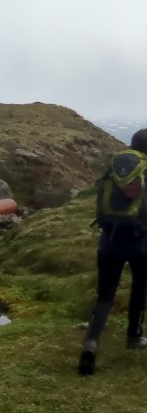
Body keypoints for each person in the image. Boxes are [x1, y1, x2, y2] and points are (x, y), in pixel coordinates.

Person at [79, 128, 147, 375]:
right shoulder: (144, 169)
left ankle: (92, 342)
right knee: (140, 288)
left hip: (110, 240)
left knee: (105, 295)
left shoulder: (115, 167)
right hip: (141, 242)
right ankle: (134, 337)